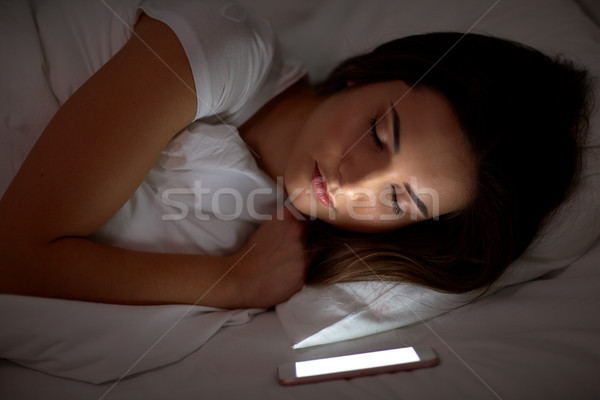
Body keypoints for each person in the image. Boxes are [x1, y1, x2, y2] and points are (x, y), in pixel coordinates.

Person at [0, 3, 592, 309]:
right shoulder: (223, 48)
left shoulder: (283, 236)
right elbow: (13, 258)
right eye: (380, 134)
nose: (353, 178)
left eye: (398, 198)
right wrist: (228, 285)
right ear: (367, 75)